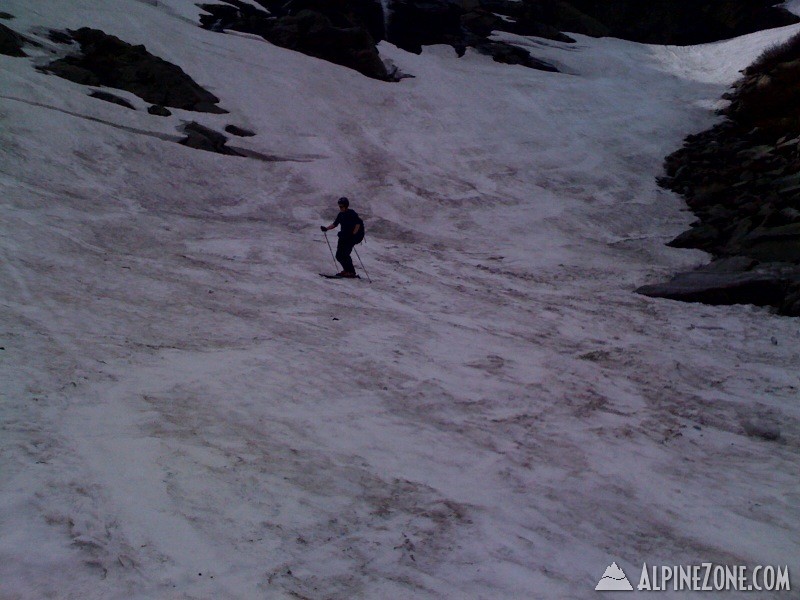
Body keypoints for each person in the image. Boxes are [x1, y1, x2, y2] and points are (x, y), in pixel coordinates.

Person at [321, 197, 362, 277]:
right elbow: (335, 224)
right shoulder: (341, 214)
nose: (340, 208)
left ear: (346, 206)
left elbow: (358, 224)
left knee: (345, 254)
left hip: (350, 238)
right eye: (339, 206)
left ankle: (351, 272)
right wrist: (326, 228)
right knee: (339, 255)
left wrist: (353, 234)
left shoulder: (352, 213)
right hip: (342, 237)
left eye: (341, 206)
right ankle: (346, 270)